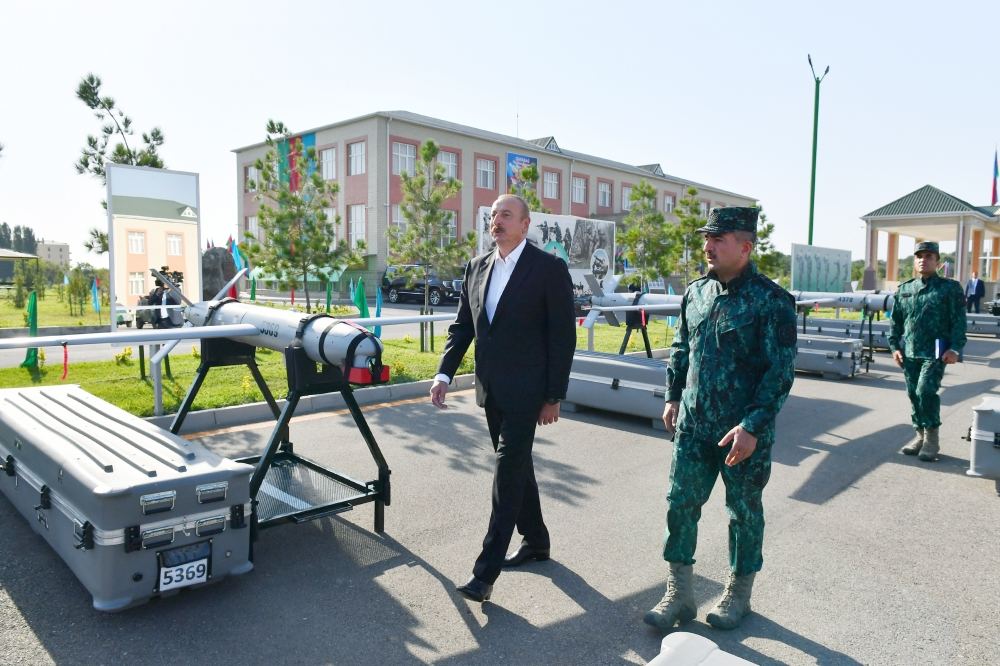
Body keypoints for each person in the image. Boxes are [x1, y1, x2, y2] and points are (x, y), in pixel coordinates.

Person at [645, 207, 797, 632]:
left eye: (719, 239)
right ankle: (679, 593)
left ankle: (738, 592)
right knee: (680, 504)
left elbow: (780, 372)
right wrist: (673, 396)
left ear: (745, 247)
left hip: (741, 433)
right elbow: (681, 348)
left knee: (743, 511)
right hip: (694, 424)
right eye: (706, 238)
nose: (708, 246)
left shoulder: (771, 301)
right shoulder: (696, 293)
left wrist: (753, 426)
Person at [430, 194, 575, 603]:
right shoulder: (477, 268)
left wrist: (553, 396)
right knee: (517, 466)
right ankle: (538, 541)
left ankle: (485, 572)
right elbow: (464, 328)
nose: (497, 221)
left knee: (506, 473)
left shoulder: (548, 269)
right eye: (493, 215)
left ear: (526, 224)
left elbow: (563, 338)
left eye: (506, 215)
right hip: (490, 390)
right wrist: (443, 373)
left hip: (529, 393)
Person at [890, 242, 966, 461]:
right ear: (915, 261)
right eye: (920, 256)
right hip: (910, 351)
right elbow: (895, 322)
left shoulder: (949, 288)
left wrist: (955, 348)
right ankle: (920, 436)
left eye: (929, 256)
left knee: (925, 391)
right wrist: (894, 347)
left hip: (936, 351)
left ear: (938, 262)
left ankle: (932, 438)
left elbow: (959, 321)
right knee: (913, 394)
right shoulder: (905, 289)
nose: (924, 259)